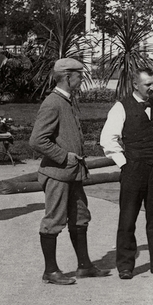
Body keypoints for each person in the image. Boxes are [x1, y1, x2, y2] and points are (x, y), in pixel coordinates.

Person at [29, 57, 109, 285]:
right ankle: (50, 271)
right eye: (79, 75)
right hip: (57, 174)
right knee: (54, 220)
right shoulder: (53, 103)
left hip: (72, 174)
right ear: (67, 77)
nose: (82, 78)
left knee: (80, 217)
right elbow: (37, 140)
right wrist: (64, 156)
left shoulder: (67, 100)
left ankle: (84, 266)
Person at [100, 66, 153, 280]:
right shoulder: (121, 107)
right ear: (135, 85)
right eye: (148, 85)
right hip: (133, 170)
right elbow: (108, 140)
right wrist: (124, 164)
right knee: (128, 218)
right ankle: (125, 266)